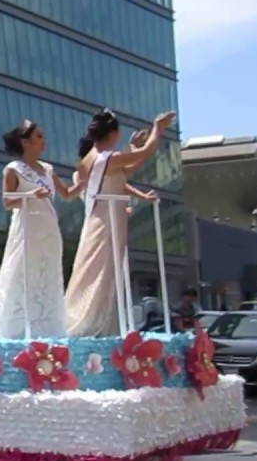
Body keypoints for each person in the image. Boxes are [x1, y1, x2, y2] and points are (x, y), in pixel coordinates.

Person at [0, 121, 80, 339]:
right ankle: (15, 326)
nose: (43, 141)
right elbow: (7, 201)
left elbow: (67, 193)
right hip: (27, 228)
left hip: (49, 228)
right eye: (38, 136)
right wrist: (30, 195)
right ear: (25, 142)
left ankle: (47, 326)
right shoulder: (13, 170)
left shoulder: (48, 170)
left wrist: (85, 179)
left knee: (48, 274)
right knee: (20, 271)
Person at [65, 109, 175, 337]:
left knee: (98, 269)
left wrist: (133, 151)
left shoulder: (90, 159)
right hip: (108, 216)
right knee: (102, 270)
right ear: (113, 133)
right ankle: (91, 324)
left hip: (101, 215)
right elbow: (145, 154)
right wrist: (158, 129)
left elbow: (123, 171)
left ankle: (99, 322)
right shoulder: (108, 158)